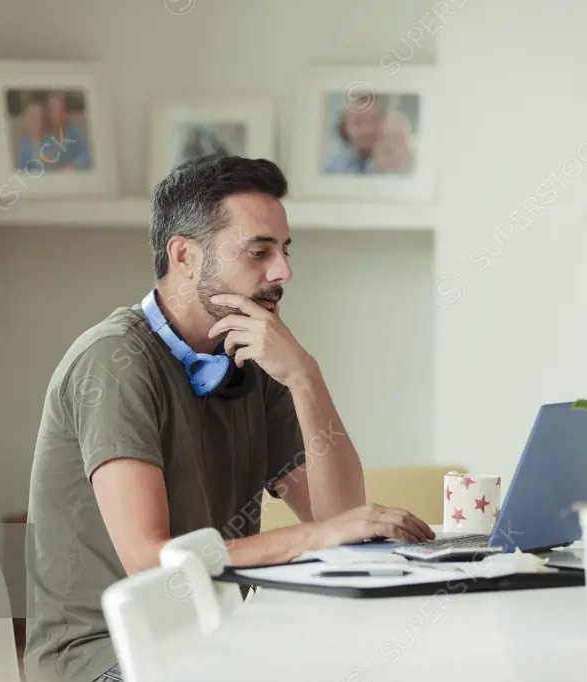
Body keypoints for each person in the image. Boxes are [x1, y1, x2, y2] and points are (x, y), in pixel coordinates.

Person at [23, 155, 435, 682]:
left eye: (284, 251)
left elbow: (339, 517)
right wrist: (316, 538)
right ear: (185, 256)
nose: (283, 270)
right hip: (111, 661)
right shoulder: (114, 362)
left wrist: (306, 377)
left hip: (214, 639)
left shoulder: (256, 353)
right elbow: (151, 564)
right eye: (259, 251)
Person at [321, 94, 384, 175]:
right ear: (345, 128)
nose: (367, 129)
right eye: (358, 122)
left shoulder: (393, 160)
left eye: (373, 120)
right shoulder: (334, 164)